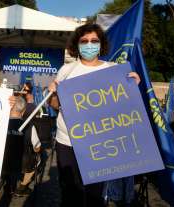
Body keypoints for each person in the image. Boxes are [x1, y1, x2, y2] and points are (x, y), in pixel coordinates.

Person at [48, 24, 140, 207]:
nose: (89, 44)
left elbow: (124, 107)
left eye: (94, 41)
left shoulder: (114, 70)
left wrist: (133, 89)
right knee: (69, 193)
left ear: (101, 44)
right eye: (84, 41)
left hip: (100, 141)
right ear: (77, 44)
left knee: (95, 194)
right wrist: (53, 94)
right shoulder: (66, 70)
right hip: (67, 141)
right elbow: (55, 105)